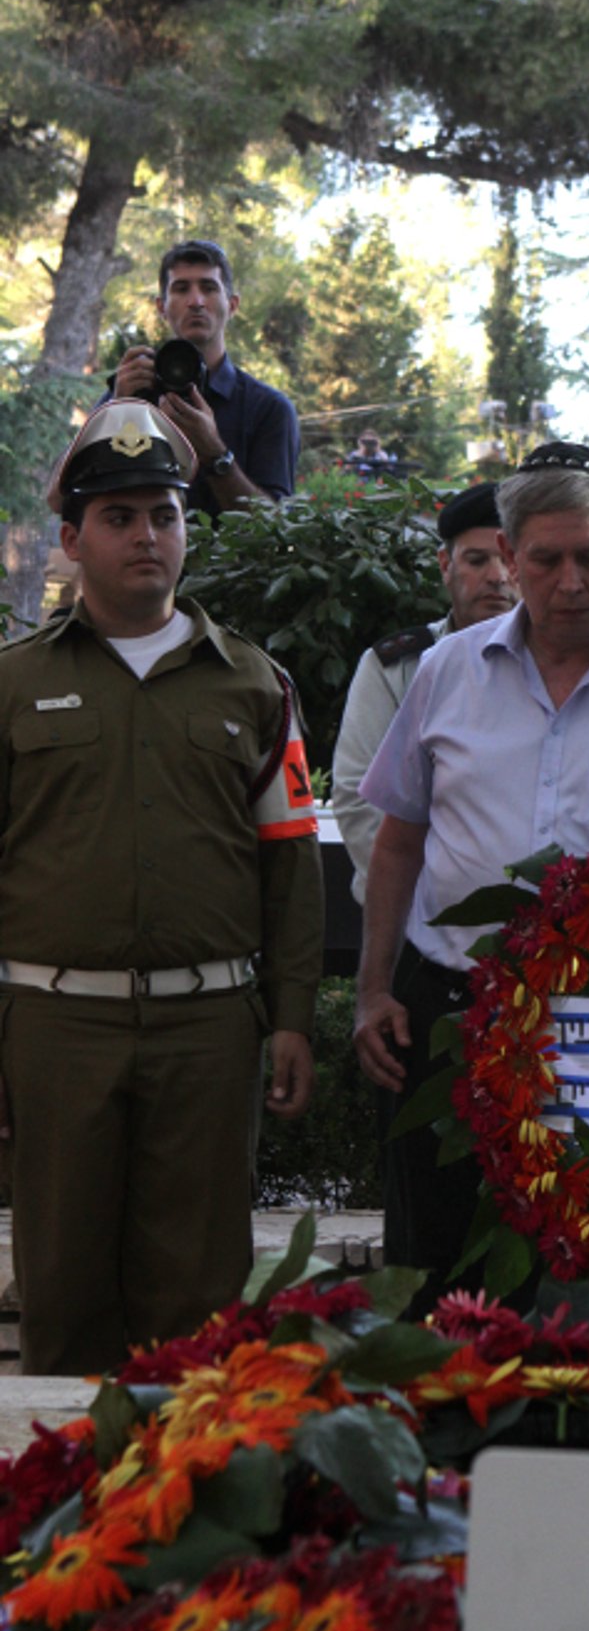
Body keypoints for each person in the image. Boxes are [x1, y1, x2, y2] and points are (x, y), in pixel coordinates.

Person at [353, 439, 589, 1301]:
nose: (572, 583)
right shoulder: (446, 672)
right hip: (450, 1016)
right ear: (510, 559)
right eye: (547, 559)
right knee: (435, 1276)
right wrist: (374, 990)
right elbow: (398, 840)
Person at [0, 399, 324, 1375]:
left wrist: (295, 1016)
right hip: (56, 1031)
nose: (147, 534)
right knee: (60, 1301)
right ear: (70, 539)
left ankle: (192, 1516)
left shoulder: (258, 686)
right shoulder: (11, 686)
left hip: (209, 1031)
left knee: (200, 1312)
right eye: (120, 515)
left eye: (165, 514)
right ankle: (60, 1524)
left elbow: (291, 860)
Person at [331, 482, 517, 903]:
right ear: (444, 565)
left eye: (508, 559)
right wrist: (439, 900)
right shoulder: (395, 668)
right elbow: (358, 795)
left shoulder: (559, 673)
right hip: (409, 919)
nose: (497, 576)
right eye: (477, 560)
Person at [109, 239, 300, 521]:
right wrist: (116, 413)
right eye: (182, 288)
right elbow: (60, 498)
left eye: (209, 288)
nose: (196, 301)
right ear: (161, 307)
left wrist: (215, 455)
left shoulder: (269, 409)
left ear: (232, 305)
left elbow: (276, 527)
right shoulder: (130, 389)